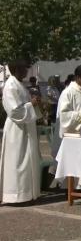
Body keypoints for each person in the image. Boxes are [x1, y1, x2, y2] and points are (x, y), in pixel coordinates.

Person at [0, 59, 42, 203]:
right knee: (17, 162)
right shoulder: (10, 86)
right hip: (16, 129)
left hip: (25, 127)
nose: (26, 71)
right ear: (16, 69)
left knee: (27, 162)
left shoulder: (19, 84)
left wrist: (32, 103)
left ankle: (27, 193)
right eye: (24, 68)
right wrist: (32, 104)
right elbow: (14, 111)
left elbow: (23, 105)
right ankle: (15, 196)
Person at [51, 65, 81, 188]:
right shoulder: (68, 92)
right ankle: (71, 188)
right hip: (74, 136)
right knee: (74, 164)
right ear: (78, 77)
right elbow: (63, 115)